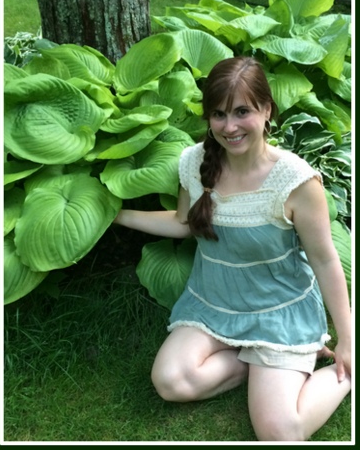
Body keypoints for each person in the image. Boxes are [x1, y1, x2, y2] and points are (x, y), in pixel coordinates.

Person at [114, 56, 351, 441]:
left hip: (278, 311)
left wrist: (348, 340)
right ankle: (257, 363)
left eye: (242, 111)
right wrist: (116, 215)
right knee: (170, 381)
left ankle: (339, 374)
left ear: (267, 110)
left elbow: (325, 260)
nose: (230, 126)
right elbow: (182, 223)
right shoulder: (195, 162)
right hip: (215, 304)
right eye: (219, 114)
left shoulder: (295, 181)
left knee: (279, 433)